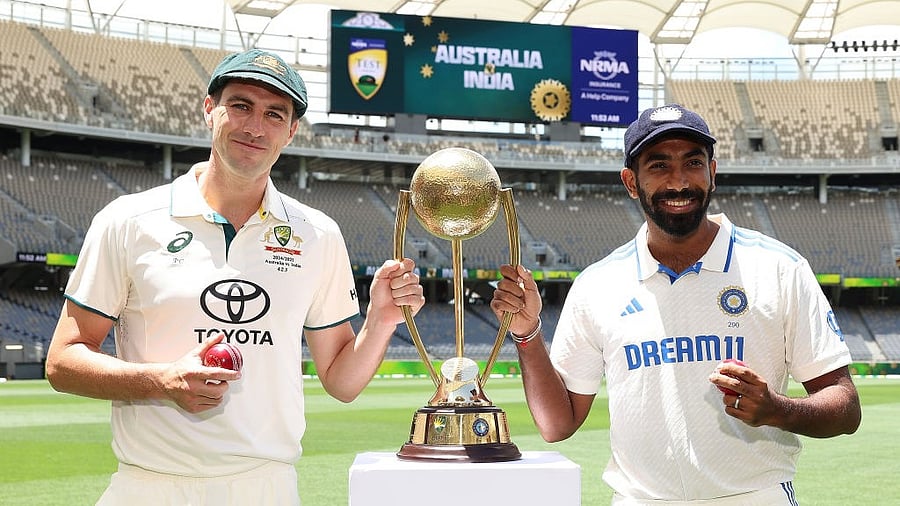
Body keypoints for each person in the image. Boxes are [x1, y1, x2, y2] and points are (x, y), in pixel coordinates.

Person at [45, 48, 425, 505]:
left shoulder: (317, 234)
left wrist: (381, 321)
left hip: (265, 487)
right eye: (241, 105)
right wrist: (162, 381)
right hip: (149, 485)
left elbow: (341, 383)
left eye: (274, 114)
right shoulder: (128, 220)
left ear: (291, 131)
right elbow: (63, 361)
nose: (254, 127)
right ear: (210, 109)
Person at [491, 104, 861, 505]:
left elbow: (845, 407)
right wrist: (527, 334)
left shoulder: (779, 267)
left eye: (693, 163)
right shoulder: (597, 284)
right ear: (631, 182)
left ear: (712, 173)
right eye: (659, 165)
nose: (679, 181)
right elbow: (557, 424)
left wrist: (778, 409)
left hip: (755, 496)